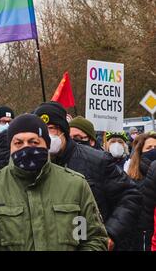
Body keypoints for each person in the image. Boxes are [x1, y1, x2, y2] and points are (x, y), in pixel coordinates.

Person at [0, 114, 108, 251]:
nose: (26, 147)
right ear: (10, 147)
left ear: (47, 144)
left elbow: (93, 239)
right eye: (18, 143)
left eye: (34, 142)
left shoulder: (75, 185)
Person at [33, 101, 141, 251]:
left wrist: (110, 233)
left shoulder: (97, 160)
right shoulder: (33, 165)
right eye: (42, 130)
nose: (47, 135)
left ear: (63, 130)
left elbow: (130, 196)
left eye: (51, 128)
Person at [124, 132, 156, 250]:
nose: (153, 150)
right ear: (140, 152)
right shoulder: (131, 180)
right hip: (141, 236)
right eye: (149, 148)